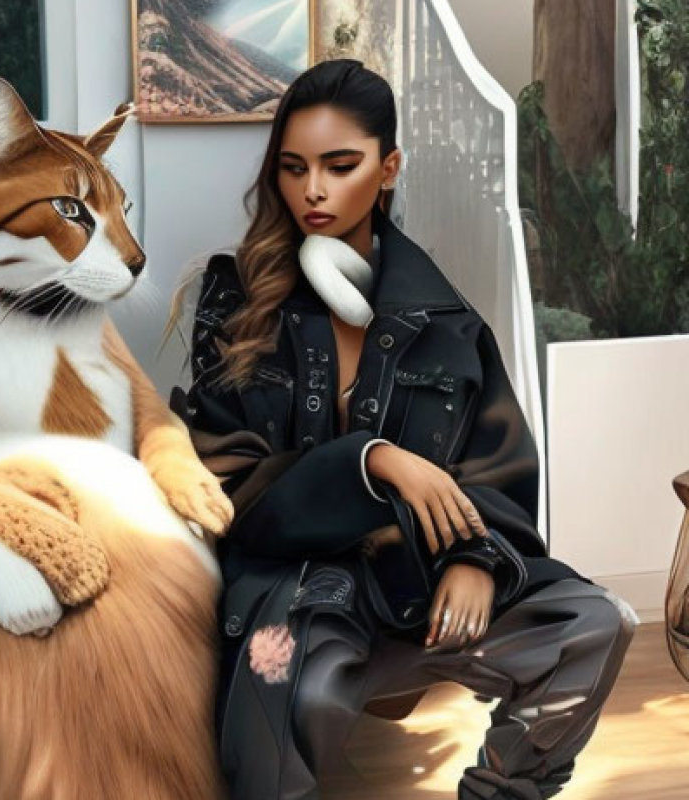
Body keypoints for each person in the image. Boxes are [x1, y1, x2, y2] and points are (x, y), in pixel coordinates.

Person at [168, 59, 636, 800]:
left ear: (388, 169)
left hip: (416, 590)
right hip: (295, 599)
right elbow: (228, 487)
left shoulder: (445, 320)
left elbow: (499, 467)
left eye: (339, 165)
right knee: (284, 681)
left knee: (594, 623)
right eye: (293, 168)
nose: (313, 190)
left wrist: (478, 557)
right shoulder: (237, 304)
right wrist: (373, 461)